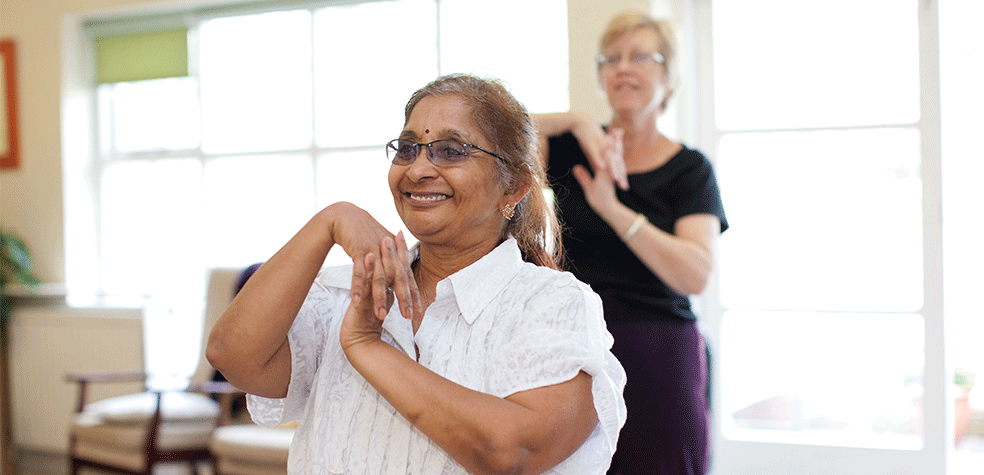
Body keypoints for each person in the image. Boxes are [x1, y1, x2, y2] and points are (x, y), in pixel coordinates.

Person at [207, 73, 626, 475]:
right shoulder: (346, 290)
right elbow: (234, 357)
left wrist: (366, 347)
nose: (417, 169)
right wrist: (328, 222)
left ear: (513, 187)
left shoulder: (550, 304)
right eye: (407, 148)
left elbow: (510, 452)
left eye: (451, 150)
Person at [533, 10, 728, 475]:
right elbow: (488, 128)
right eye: (611, 58)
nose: (622, 67)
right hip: (575, 347)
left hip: (659, 353)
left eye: (640, 56)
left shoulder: (691, 170)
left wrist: (611, 208)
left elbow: (695, 273)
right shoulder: (569, 150)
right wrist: (577, 121)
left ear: (668, 74)